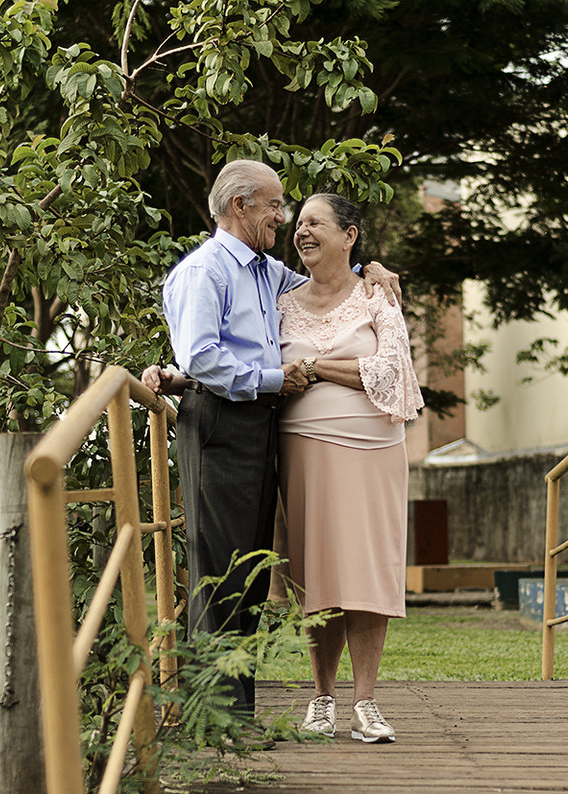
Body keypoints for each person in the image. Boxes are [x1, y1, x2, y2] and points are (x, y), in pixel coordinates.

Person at [151, 160, 399, 722]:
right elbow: (203, 357)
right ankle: (213, 716)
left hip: (261, 426)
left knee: (251, 573)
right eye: (274, 205)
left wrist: (373, 266)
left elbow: (331, 283)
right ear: (240, 206)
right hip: (220, 422)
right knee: (221, 571)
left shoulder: (268, 272)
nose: (283, 218)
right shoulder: (205, 271)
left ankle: (233, 713)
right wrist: (268, 379)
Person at [275, 193, 423, 743]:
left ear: (349, 235)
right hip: (304, 452)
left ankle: (366, 702)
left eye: (316, 222)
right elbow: (241, 344)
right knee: (320, 579)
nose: (302, 231)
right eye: (299, 223)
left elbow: (391, 369)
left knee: (366, 576)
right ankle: (321, 698)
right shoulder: (279, 296)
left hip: (374, 451)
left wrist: (313, 366)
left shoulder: (377, 295)